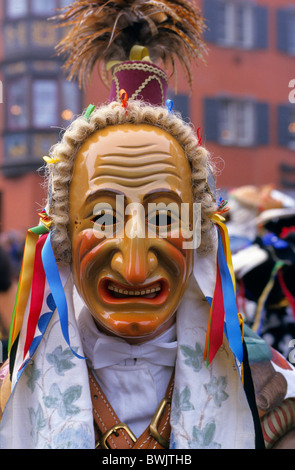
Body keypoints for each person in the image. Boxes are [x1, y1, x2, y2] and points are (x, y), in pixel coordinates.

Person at [0, 0, 295, 449]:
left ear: (200, 233)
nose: (134, 266)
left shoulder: (270, 394)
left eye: (163, 216)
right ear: (62, 234)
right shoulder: (11, 400)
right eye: (102, 216)